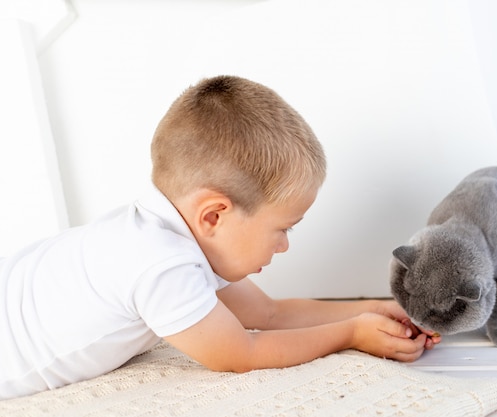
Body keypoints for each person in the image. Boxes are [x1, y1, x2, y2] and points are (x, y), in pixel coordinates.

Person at [0, 75, 440, 400]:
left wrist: (376, 309)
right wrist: (351, 334)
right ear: (214, 215)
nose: (285, 244)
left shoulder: (176, 234)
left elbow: (267, 314)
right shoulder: (160, 263)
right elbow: (240, 352)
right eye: (282, 228)